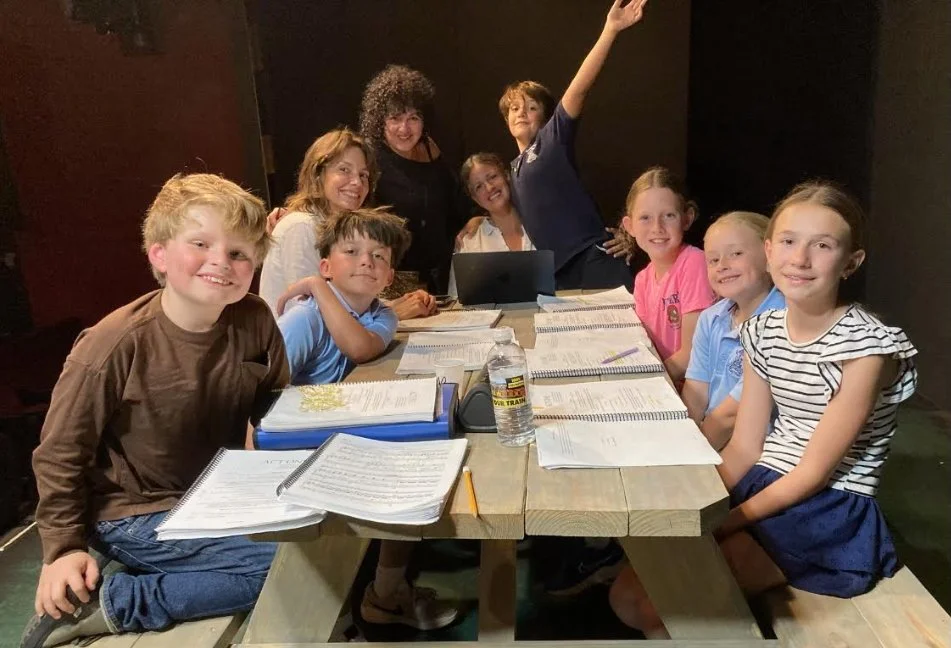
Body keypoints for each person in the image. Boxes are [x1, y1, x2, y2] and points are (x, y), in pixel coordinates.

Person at [609, 181, 918, 638]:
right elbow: (745, 447)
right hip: (765, 479)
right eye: (789, 242)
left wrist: (724, 523)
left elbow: (813, 473)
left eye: (823, 245)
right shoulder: (763, 330)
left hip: (826, 507)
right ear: (770, 252)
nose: (801, 259)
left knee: (658, 603)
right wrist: (693, 506)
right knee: (627, 596)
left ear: (851, 262)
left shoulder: (865, 347)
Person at [20, 174, 289, 648]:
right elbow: (60, 453)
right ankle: (116, 600)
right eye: (200, 243)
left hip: (214, 495)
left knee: (333, 546)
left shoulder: (255, 318)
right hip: (133, 510)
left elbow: (277, 403)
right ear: (160, 254)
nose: (221, 262)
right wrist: (62, 549)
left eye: (238, 252)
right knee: (288, 568)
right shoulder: (112, 344)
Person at [273, 209, 458, 631]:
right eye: (352, 251)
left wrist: (317, 287)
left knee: (418, 453)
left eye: (378, 256)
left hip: (343, 435)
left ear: (390, 275)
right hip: (299, 449)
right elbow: (259, 396)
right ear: (326, 266)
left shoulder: (382, 314)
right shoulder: (304, 319)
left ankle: (386, 592)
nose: (366, 262)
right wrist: (317, 291)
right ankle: (375, 596)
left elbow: (362, 346)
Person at [475, 0, 648, 290]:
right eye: (514, 108)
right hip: (559, 276)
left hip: (593, 259)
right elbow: (504, 209)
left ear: (546, 117)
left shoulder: (550, 142)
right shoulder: (512, 171)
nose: (521, 113)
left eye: (531, 107)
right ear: (506, 120)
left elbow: (578, 90)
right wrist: (474, 223)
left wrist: (610, 30)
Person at [260, 128, 437, 321]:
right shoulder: (300, 227)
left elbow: (346, 304)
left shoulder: (339, 229)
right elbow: (310, 317)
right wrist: (392, 314)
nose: (357, 183)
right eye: (344, 170)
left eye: (363, 175)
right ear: (318, 174)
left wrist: (398, 304)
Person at [359, 64, 473, 294]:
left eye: (413, 118)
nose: (405, 128)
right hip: (395, 283)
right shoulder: (368, 158)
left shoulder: (431, 149)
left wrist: (475, 218)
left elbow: (454, 201)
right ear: (380, 121)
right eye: (395, 118)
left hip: (443, 277)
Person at [681, 211, 785, 450]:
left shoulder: (782, 321)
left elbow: (731, 415)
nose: (722, 266)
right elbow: (695, 394)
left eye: (736, 254)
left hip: (758, 450)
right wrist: (685, 438)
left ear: (769, 257)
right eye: (713, 260)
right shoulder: (710, 318)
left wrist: (694, 453)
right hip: (710, 439)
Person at [622, 166, 716, 382]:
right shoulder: (643, 279)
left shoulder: (694, 264)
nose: (657, 227)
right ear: (630, 225)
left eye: (669, 216)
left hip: (690, 389)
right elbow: (645, 343)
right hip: (666, 381)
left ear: (687, 219)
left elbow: (692, 353)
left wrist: (650, 383)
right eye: (645, 218)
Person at [447, 152, 535, 296]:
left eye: (493, 177)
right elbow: (457, 299)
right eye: (479, 187)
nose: (489, 188)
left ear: (506, 176)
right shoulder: (469, 242)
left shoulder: (540, 222)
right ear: (475, 198)